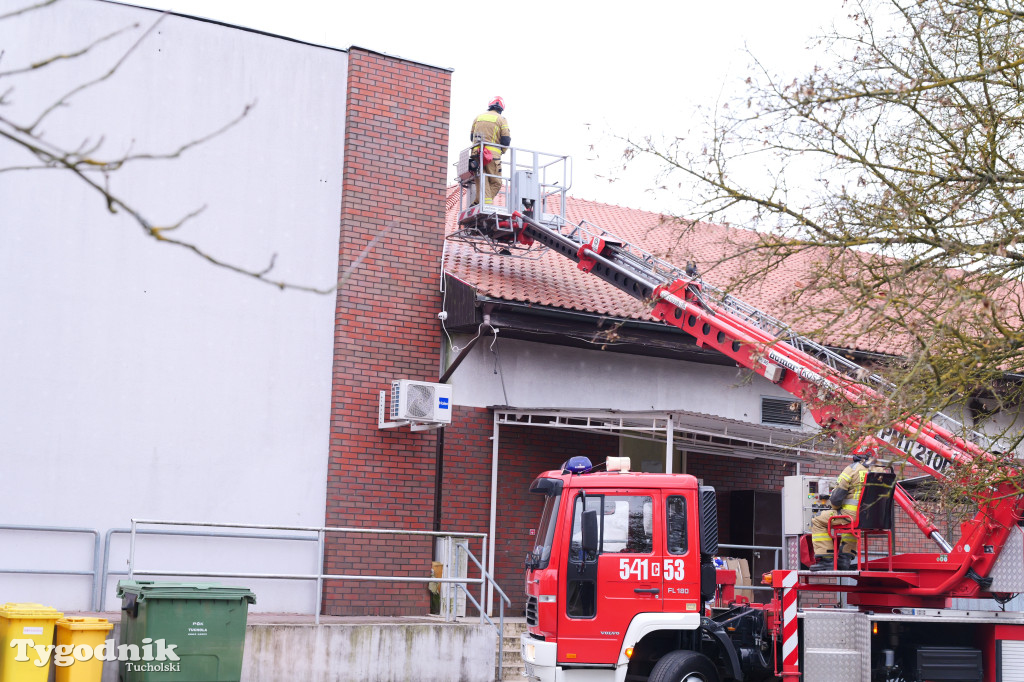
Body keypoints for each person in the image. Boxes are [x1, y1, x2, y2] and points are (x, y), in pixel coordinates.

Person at [808, 452, 886, 571]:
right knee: (850, 526)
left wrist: (834, 507)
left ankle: (827, 560)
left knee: (818, 520)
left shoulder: (852, 469)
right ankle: (844, 559)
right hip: (874, 518)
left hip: (852, 515)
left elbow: (836, 498)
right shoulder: (882, 471)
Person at [469, 96, 511, 206]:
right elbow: (506, 141)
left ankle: (478, 203)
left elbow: (471, 137)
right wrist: (502, 151)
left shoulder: (478, 117)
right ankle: (483, 204)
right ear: (501, 108)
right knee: (496, 183)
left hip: (476, 155)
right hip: (492, 156)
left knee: (482, 180)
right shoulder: (501, 120)